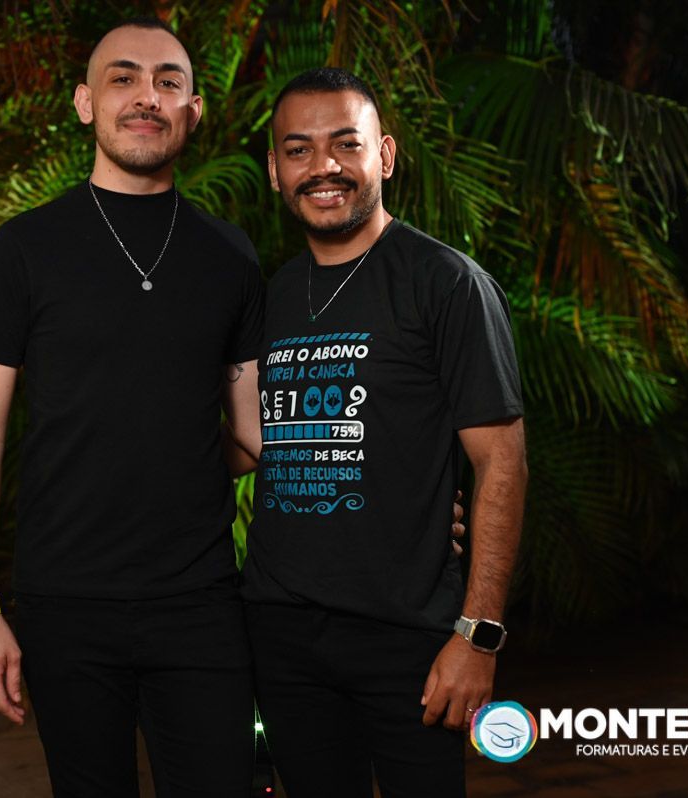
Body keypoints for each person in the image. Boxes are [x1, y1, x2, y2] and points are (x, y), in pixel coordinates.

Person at [0, 17, 266, 798]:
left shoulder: (230, 255)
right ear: (86, 103)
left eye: (168, 82)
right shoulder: (26, 247)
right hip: (65, 605)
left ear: (193, 110)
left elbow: (252, 437)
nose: (146, 96)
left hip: (200, 603)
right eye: (123, 78)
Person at [240, 68, 528, 797]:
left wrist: (479, 636)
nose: (324, 167)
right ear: (275, 170)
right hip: (281, 635)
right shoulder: (271, 296)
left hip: (408, 637)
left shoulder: (447, 283)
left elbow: (502, 465)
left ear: (386, 155)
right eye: (299, 150)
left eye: (346, 144)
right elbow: (249, 443)